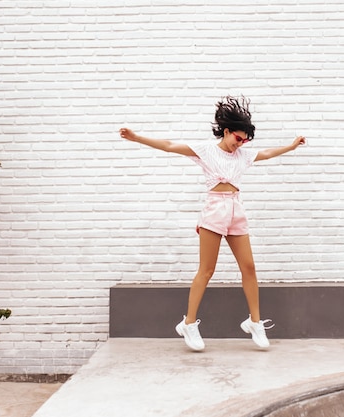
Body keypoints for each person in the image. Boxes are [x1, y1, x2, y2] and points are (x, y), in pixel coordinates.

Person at [119, 96, 305, 351]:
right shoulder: (207, 151)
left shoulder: (242, 156)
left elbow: (268, 153)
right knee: (207, 270)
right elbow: (170, 145)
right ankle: (189, 322)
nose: (241, 144)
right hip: (214, 210)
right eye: (237, 138)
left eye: (245, 140)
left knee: (249, 267)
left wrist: (291, 147)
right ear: (227, 131)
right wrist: (136, 137)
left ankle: (255, 322)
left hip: (235, 209)